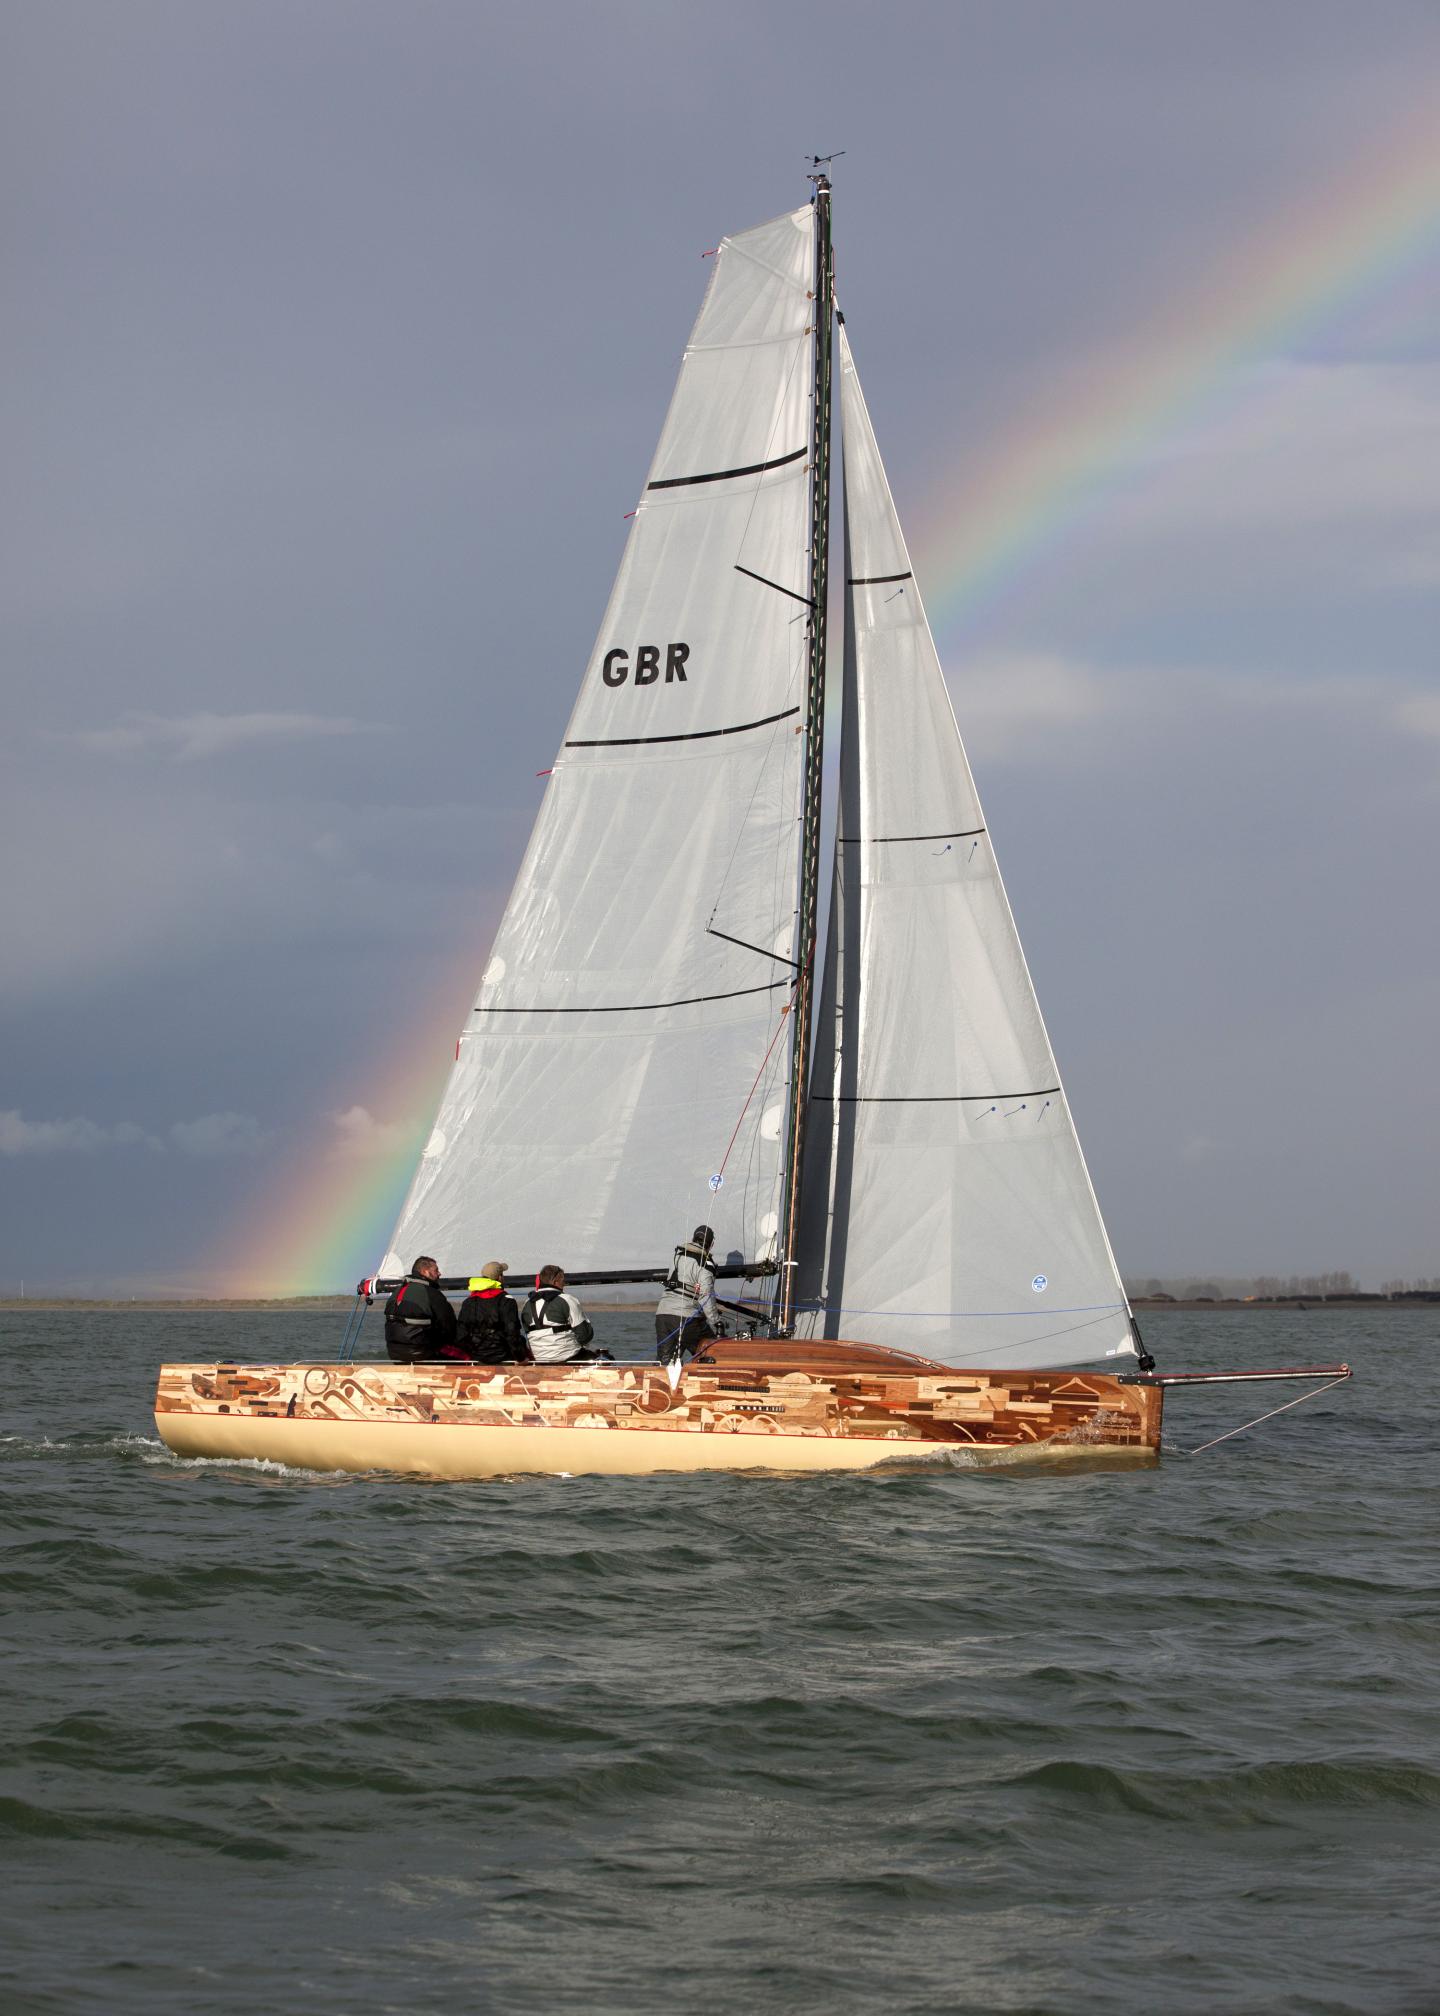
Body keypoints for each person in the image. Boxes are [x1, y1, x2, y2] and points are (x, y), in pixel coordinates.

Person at [655, 1224, 721, 1364]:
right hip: (685, 1318)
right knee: (713, 1350)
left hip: (662, 1315)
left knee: (665, 1363)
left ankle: (663, 1382)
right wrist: (716, 1322)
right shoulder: (706, 1263)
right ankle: (705, 1382)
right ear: (711, 1244)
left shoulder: (678, 1254)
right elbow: (705, 1296)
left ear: (693, 1238)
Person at [383, 1256, 461, 1363]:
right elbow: (450, 1326)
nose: (439, 1274)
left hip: (395, 1354)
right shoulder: (432, 1294)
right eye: (436, 1270)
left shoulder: (397, 1291)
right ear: (425, 1272)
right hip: (423, 1354)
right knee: (465, 1355)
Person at [520, 1265, 598, 1365]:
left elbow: (527, 1334)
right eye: (563, 1280)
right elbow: (585, 1336)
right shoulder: (567, 1299)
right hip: (567, 1357)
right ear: (555, 1282)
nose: (564, 1284)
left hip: (539, 1358)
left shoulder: (527, 1303)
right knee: (604, 1358)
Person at [457, 1262, 531, 1365]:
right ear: (500, 1278)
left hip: (477, 1359)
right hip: (504, 1358)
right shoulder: (506, 1300)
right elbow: (512, 1333)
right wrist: (521, 1358)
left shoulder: (468, 1302)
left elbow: (461, 1334)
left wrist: (472, 1354)